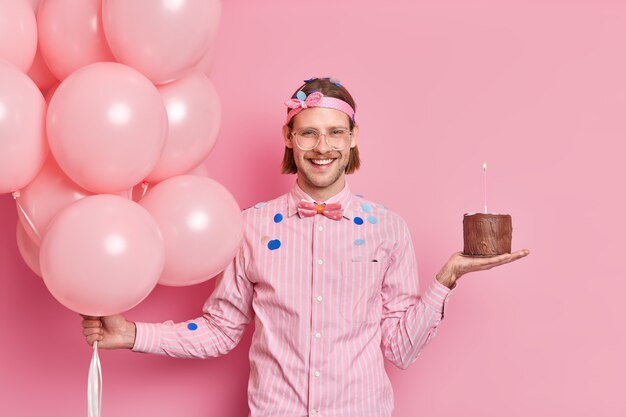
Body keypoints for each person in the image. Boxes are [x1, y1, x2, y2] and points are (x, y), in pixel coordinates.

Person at [82, 77, 530, 417]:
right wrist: (133, 335)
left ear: (353, 138)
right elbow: (220, 330)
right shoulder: (249, 227)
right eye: (309, 132)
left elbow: (400, 349)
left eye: (335, 133)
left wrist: (447, 277)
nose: (322, 147)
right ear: (289, 138)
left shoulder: (388, 229)